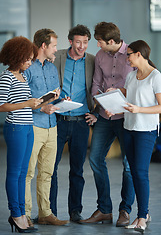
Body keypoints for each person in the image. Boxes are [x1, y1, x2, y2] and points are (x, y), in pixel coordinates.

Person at [81, 22, 135, 226]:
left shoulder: (132, 55)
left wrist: (120, 101)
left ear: (111, 41)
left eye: (100, 42)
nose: (98, 46)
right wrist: (98, 106)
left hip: (126, 118)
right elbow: (96, 83)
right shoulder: (101, 57)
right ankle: (104, 209)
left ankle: (125, 211)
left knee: (129, 166)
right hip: (104, 116)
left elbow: (136, 86)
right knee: (95, 159)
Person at [49, 24, 97, 223]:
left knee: (77, 170)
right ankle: (49, 211)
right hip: (58, 120)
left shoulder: (93, 60)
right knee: (50, 168)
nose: (82, 46)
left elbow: (100, 86)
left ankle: (75, 211)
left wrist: (97, 113)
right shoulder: (57, 57)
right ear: (70, 41)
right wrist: (55, 100)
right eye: (78, 42)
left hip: (81, 123)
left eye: (85, 42)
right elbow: (47, 82)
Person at [24, 29, 68, 226]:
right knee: (28, 173)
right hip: (33, 126)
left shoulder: (51, 68)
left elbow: (53, 93)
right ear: (43, 46)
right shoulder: (27, 68)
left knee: (47, 173)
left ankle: (45, 213)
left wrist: (59, 100)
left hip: (52, 126)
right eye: (54, 46)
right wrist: (43, 108)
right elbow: (21, 100)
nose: (56, 50)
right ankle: (24, 215)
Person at [0, 36, 41, 233]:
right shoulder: (6, 76)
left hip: (27, 127)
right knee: (15, 173)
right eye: (27, 59)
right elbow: (1, 105)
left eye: (31, 59)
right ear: (17, 57)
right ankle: (15, 214)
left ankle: (22, 214)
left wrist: (38, 102)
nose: (30, 62)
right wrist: (26, 104)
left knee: (23, 174)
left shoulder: (22, 76)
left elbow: (22, 102)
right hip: (15, 127)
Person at [119, 40, 161, 232]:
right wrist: (114, 103)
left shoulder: (156, 77)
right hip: (129, 128)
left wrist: (139, 109)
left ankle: (142, 216)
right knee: (134, 172)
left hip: (146, 131)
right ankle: (143, 213)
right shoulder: (131, 76)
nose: (127, 58)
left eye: (129, 54)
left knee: (141, 173)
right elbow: (126, 101)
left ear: (139, 54)